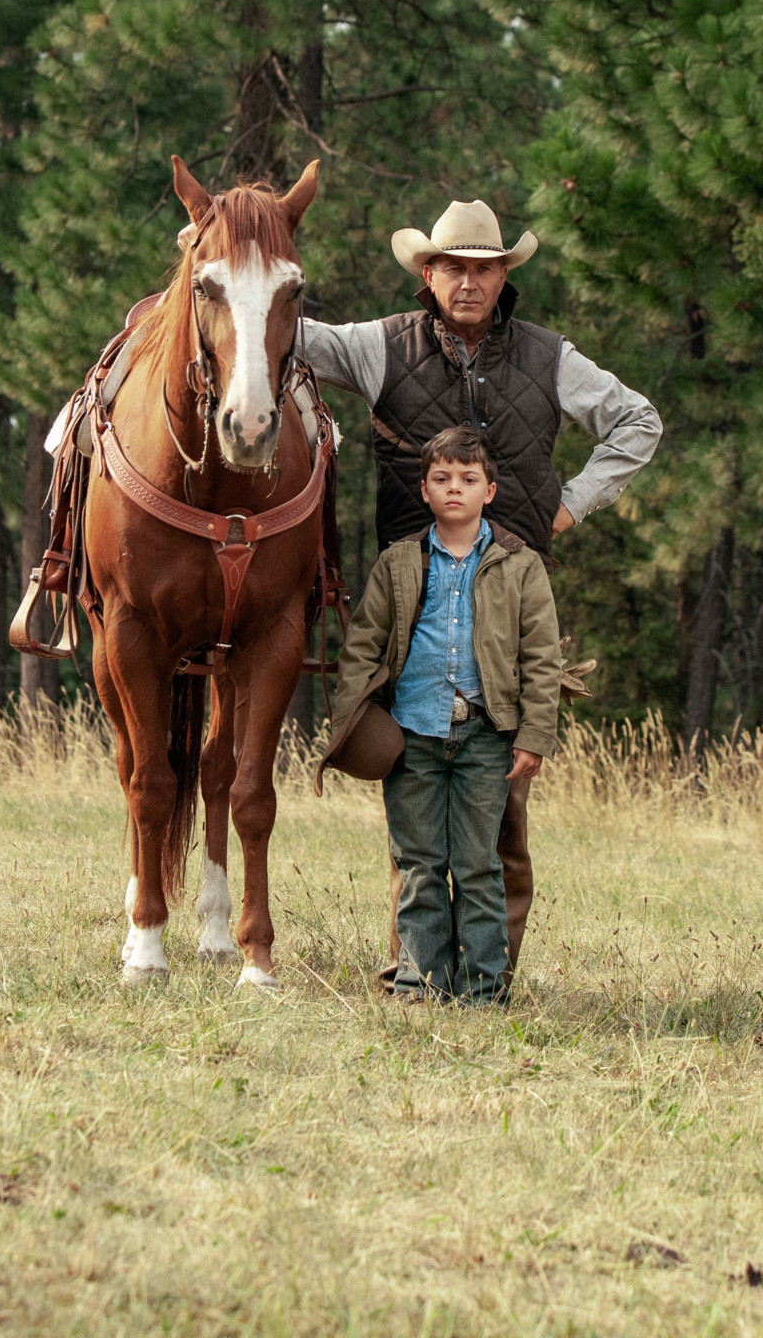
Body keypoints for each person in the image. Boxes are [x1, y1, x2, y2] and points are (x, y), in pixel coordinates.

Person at [302, 197, 661, 970]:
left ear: (504, 276)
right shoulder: (378, 348)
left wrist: (567, 506)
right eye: (453, 268)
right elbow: (290, 334)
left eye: (484, 269)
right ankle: (416, 966)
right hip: (411, 603)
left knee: (503, 812)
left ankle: (490, 976)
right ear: (427, 274)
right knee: (415, 801)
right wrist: (218, 272)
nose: (468, 282)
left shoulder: (548, 357)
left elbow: (639, 422)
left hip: (507, 598)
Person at [326, 426, 565, 1002]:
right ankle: (419, 982)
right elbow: (361, 648)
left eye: (468, 479)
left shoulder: (519, 564)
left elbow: (541, 654)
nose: (454, 488)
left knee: (480, 865)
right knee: (419, 863)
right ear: (425, 490)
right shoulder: (399, 562)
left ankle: (484, 989)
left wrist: (533, 736)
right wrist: (351, 725)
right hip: (414, 737)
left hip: (488, 738)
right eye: (442, 479)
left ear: (490, 490)